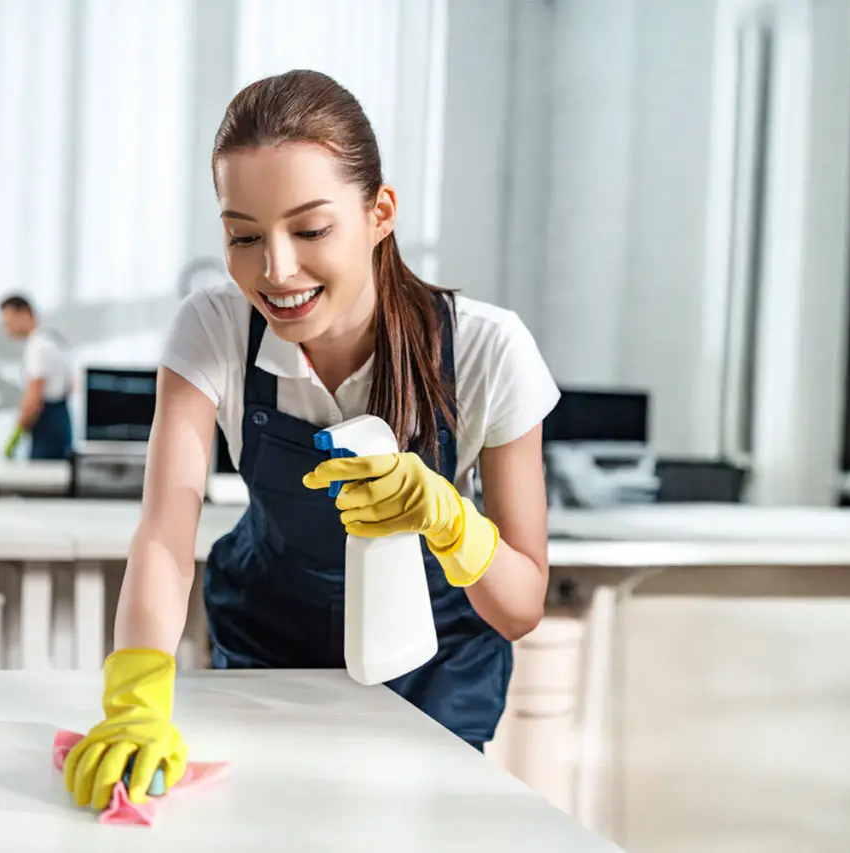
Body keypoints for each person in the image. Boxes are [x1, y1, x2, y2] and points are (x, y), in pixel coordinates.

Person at [62, 69, 561, 810]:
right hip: (269, 648)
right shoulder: (215, 329)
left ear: (380, 211)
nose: (276, 269)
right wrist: (135, 694)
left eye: (311, 228)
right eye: (244, 236)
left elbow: (520, 606)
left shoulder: (486, 349)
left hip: (435, 665)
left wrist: (450, 520)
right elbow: (167, 533)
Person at [0, 293, 75, 460]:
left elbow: (34, 397)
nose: (7, 329)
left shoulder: (36, 347)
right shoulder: (52, 341)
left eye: (9, 323)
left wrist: (15, 437)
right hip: (61, 420)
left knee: (41, 480)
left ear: (25, 314)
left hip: (48, 423)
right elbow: (70, 385)